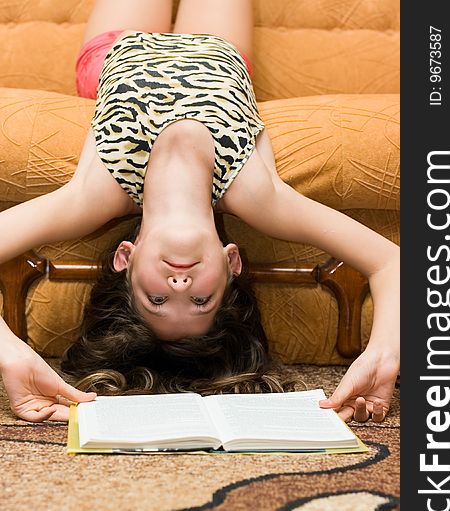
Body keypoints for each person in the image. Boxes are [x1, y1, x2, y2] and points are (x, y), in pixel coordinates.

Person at [0, 0, 399, 424]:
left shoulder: (94, 194)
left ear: (125, 258)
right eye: (200, 299)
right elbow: (392, 262)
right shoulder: (258, 196)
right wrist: (385, 353)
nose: (179, 283)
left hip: (117, 49)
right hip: (218, 49)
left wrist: (9, 354)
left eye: (157, 299)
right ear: (232, 263)